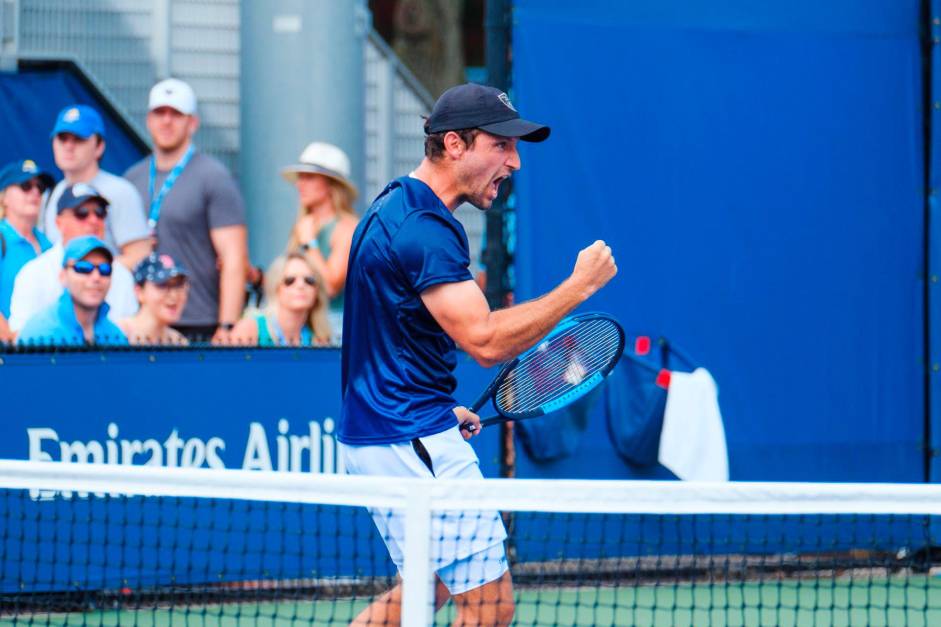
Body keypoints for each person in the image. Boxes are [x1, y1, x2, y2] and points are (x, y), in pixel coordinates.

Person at [337, 83, 616, 626]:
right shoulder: (424, 228)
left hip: (397, 429)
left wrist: (439, 411)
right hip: (408, 437)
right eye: (502, 146)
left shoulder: (394, 205)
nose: (514, 162)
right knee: (491, 611)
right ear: (456, 145)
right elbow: (485, 341)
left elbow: (390, 344)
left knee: (429, 588)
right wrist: (578, 287)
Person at [124, 78, 248, 344]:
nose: (166, 121)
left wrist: (227, 325)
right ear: (148, 120)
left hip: (199, 322)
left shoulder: (213, 177)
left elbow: (234, 256)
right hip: (142, 323)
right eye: (160, 113)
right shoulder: (132, 179)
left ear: (193, 123)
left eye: (176, 114)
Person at [9, 184, 137, 333]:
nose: (93, 220)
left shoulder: (120, 273)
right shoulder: (34, 273)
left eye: (100, 213)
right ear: (59, 223)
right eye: (82, 213)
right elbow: (21, 338)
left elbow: (131, 335)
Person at [41, 104, 151, 270]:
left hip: (106, 292)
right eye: (62, 138)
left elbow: (140, 256)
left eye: (79, 138)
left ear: (99, 146)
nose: (69, 146)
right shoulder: (52, 194)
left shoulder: (120, 191)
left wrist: (88, 270)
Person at [281, 142, 358, 340]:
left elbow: (330, 287)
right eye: (300, 177)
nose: (300, 184)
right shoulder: (304, 225)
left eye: (309, 177)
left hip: (336, 330)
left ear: (331, 185)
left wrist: (309, 243)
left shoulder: (347, 227)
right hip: (302, 327)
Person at [18, 235, 128, 346]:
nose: (96, 277)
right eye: (83, 268)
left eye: (105, 269)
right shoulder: (39, 333)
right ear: (63, 276)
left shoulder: (116, 336)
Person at [0, 159, 55, 341]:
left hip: (45, 345)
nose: (35, 193)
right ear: (4, 197)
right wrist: (8, 338)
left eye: (40, 188)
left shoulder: (49, 243)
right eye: (25, 186)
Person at [231, 251, 330, 346]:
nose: (301, 285)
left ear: (317, 290)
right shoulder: (250, 329)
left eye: (309, 280)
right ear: (276, 287)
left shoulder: (319, 338)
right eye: (290, 280)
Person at [118, 253, 189, 345]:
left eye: (179, 285)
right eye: (162, 285)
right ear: (139, 292)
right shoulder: (117, 333)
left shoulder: (178, 341)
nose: (173, 295)